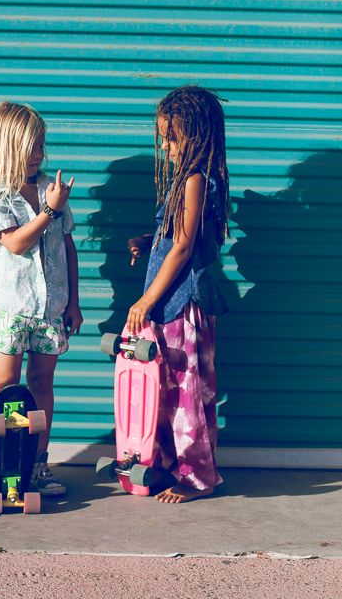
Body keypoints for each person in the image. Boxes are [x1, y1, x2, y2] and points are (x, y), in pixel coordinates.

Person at [0, 101, 83, 496]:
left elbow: (68, 248)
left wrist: (74, 302)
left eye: (41, 145)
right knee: (5, 387)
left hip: (50, 307)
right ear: (7, 146)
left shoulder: (48, 192)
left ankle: (37, 464)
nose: (39, 154)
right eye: (31, 146)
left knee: (42, 384)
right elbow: (17, 243)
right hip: (10, 308)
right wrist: (49, 211)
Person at [126, 85, 229, 503]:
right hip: (172, 303)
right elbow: (179, 237)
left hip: (184, 303)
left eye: (171, 136)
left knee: (189, 396)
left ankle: (197, 477)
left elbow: (186, 246)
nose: (165, 145)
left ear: (197, 135)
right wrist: (150, 241)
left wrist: (144, 301)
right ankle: (172, 467)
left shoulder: (195, 178)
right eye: (162, 136)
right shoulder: (187, 181)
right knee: (168, 394)